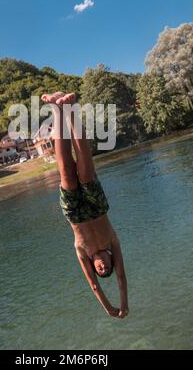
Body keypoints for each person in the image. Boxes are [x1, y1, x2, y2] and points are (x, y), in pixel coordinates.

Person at [41, 92, 129, 318]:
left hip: (75, 213)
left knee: (66, 171)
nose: (104, 268)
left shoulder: (82, 252)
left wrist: (108, 308)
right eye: (108, 267)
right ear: (110, 258)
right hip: (96, 207)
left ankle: (56, 109)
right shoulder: (113, 242)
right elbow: (121, 277)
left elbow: (94, 286)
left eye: (101, 271)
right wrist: (122, 304)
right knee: (86, 169)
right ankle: (70, 109)